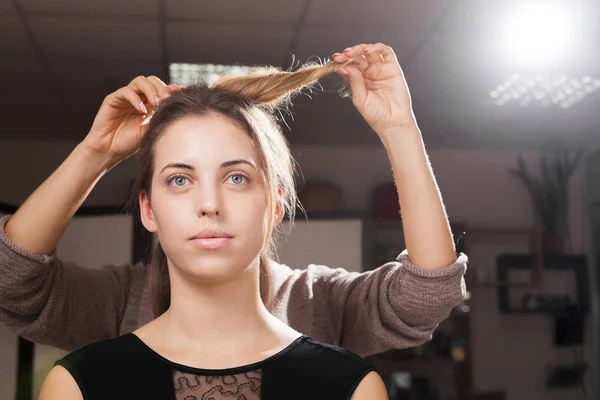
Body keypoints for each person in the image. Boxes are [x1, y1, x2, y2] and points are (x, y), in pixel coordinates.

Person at [0, 42, 467, 365]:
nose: (209, 204)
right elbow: (11, 281)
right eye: (180, 179)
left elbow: (428, 294)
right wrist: (94, 155)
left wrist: (400, 128)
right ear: (148, 210)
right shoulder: (117, 303)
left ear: (276, 205)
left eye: (237, 178)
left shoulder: (318, 301)